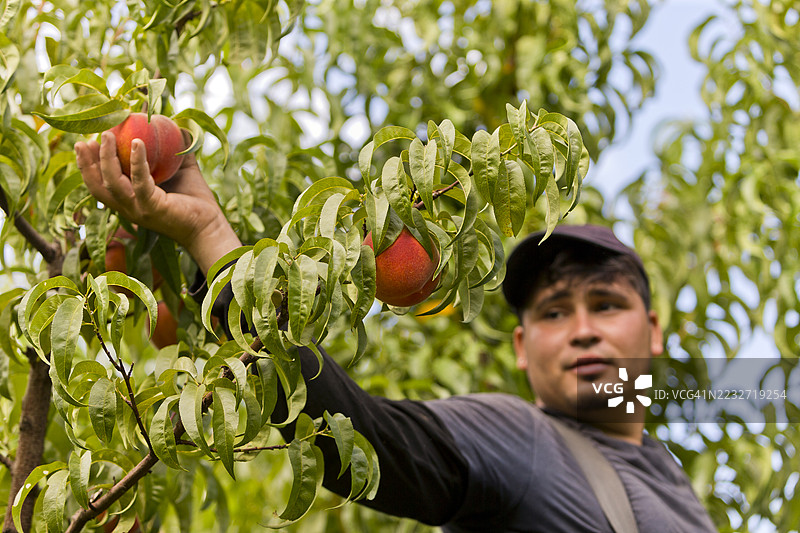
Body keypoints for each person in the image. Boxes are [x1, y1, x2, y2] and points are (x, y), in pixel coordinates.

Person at [74, 133, 718, 532]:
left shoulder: (675, 487)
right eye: (552, 313)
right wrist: (212, 238)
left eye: (605, 306)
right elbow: (365, 441)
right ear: (521, 348)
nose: (581, 332)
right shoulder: (523, 442)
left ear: (654, 333)